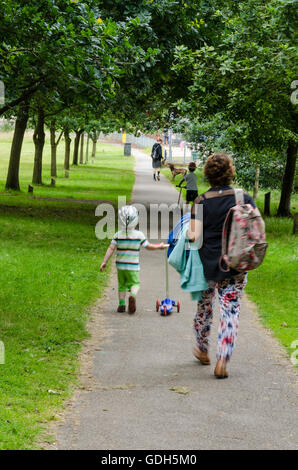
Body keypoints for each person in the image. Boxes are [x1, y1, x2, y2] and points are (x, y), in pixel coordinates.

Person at [187, 153, 257, 379]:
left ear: (207, 174)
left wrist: (187, 231)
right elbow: (253, 230)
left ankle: (202, 349)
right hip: (236, 265)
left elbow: (194, 237)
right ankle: (223, 360)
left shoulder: (200, 201)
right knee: (231, 311)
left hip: (206, 265)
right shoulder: (242, 197)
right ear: (230, 172)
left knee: (204, 308)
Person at [100, 205, 167, 314]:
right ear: (136, 220)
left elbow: (111, 248)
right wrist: (159, 246)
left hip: (120, 266)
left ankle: (121, 304)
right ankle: (132, 296)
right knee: (135, 284)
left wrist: (104, 262)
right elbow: (148, 246)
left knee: (121, 285)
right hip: (133, 266)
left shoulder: (117, 235)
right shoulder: (139, 235)